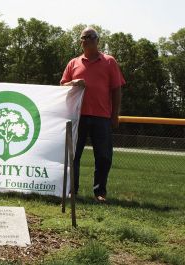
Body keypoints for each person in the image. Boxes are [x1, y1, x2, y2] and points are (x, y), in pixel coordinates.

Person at [60, 27, 125, 202]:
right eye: (83, 37)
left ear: (97, 40)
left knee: (104, 156)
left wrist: (115, 115)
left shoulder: (109, 61)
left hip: (102, 117)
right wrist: (73, 82)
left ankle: (100, 192)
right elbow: (61, 87)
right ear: (81, 42)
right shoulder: (73, 63)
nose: (86, 40)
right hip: (77, 116)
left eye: (90, 37)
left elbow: (116, 89)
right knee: (74, 155)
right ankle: (72, 190)